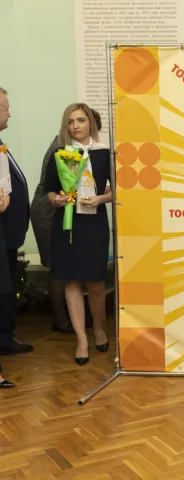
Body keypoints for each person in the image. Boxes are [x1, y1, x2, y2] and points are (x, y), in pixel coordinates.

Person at [44, 103, 112, 365]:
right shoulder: (60, 153)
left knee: (95, 283)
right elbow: (49, 191)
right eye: (71, 121)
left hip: (95, 224)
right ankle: (81, 339)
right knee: (71, 282)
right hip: (67, 225)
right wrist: (57, 199)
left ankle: (98, 328)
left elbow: (118, 189)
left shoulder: (105, 152)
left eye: (81, 120)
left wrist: (101, 199)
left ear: (90, 123)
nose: (76, 126)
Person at [0, 87, 33, 365]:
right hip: (3, 235)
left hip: (9, 236)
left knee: (8, 286)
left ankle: (5, 336)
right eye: (5, 108)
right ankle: (3, 338)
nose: (9, 113)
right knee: (4, 288)